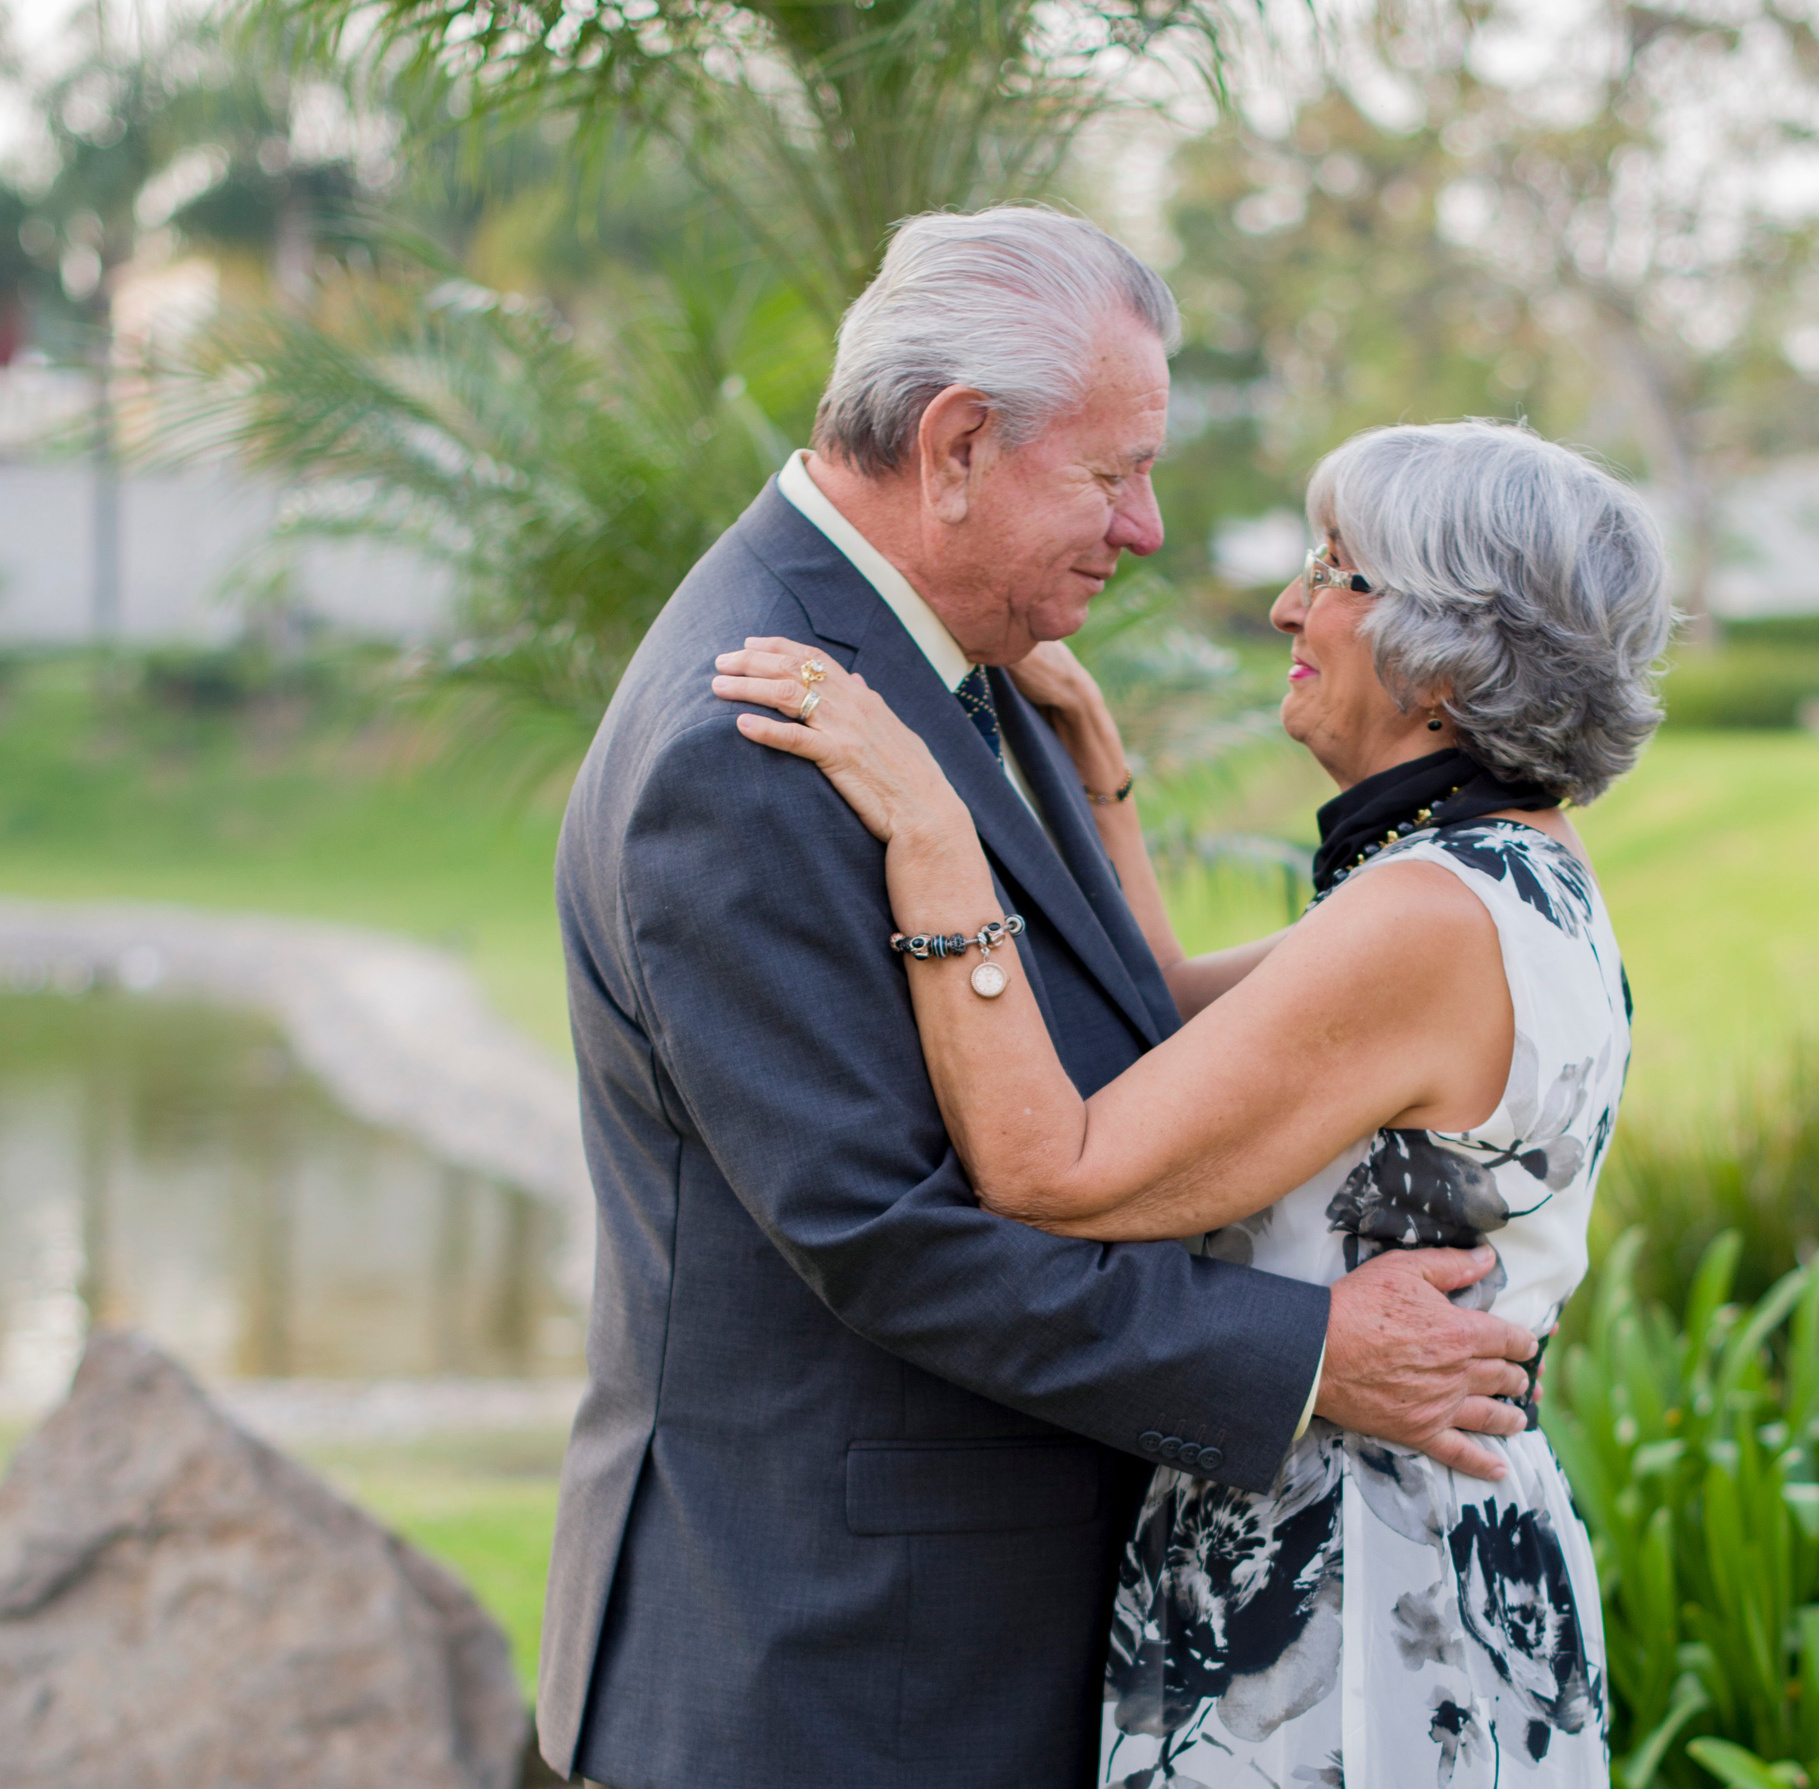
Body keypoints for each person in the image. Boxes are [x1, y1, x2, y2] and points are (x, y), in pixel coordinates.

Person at [538, 208, 1542, 1789]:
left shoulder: (970, 665)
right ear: (953, 446)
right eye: (1110, 473)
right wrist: (1302, 1355)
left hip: (953, 1641)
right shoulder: (746, 744)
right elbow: (885, 1232)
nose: (1145, 526)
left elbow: (1118, 1026)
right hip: (834, 1667)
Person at [716, 415, 1671, 1786]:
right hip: (1416, 1539)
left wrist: (936, 839)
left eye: (1337, 572)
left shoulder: (1424, 917)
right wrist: (1096, 769)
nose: (1290, 601)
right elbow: (1168, 1007)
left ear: (1452, 658)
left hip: (1347, 1588)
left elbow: (1055, 1171)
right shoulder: (1514, 869)